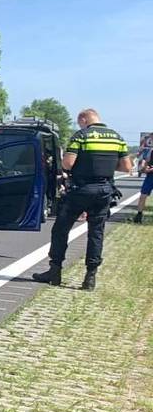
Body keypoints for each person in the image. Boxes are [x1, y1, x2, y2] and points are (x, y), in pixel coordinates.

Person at [32, 109, 131, 291]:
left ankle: (55, 272)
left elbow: (67, 163)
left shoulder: (82, 136)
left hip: (81, 190)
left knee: (61, 229)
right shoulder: (117, 138)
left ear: (84, 119)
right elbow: (126, 167)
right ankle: (90, 277)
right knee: (96, 233)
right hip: (104, 191)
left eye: (80, 123)